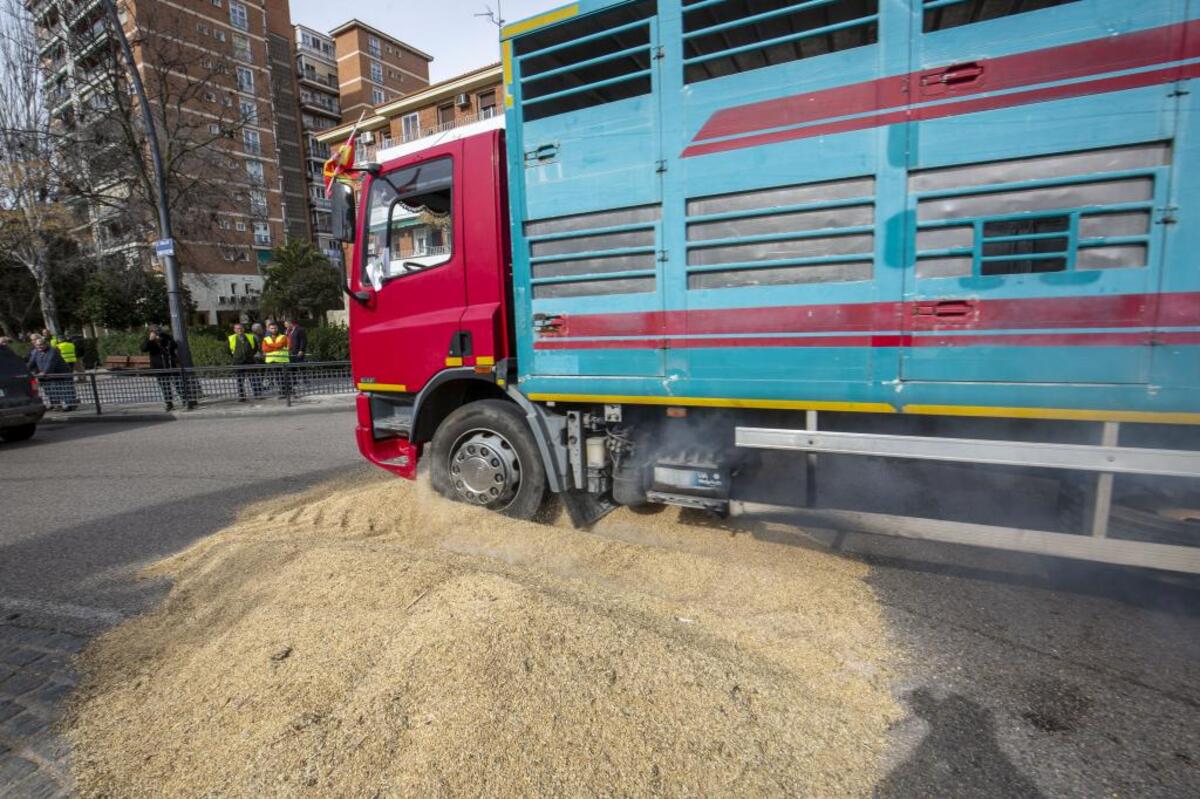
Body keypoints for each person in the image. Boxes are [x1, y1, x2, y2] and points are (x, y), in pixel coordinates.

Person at [141, 324, 196, 411]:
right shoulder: (149, 340)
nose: (156, 332)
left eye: (157, 330)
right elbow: (143, 349)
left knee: (179, 384)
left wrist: (164, 340)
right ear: (150, 332)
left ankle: (185, 401)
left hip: (170, 365)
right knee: (165, 386)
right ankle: (169, 403)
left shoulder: (166, 337)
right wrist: (151, 340)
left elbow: (174, 345)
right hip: (159, 367)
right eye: (154, 331)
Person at [27, 336, 77, 411]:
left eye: (41, 344)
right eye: (37, 345)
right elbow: (31, 363)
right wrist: (25, 371)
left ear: (46, 344)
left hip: (61, 374)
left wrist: (44, 372)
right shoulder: (36, 352)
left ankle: (71, 405)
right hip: (50, 376)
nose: (39, 346)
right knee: (52, 390)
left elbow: (50, 363)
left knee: (66, 389)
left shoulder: (52, 351)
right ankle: (57, 405)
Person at [227, 323, 262, 401]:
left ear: (243, 329)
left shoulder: (250, 337)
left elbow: (255, 348)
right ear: (234, 330)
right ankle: (242, 397)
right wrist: (236, 357)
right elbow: (228, 350)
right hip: (238, 362)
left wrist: (250, 355)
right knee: (240, 380)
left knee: (254, 379)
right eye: (237, 328)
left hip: (250, 361)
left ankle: (257, 395)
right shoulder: (231, 338)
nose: (239, 330)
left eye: (241, 328)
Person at [261, 321, 291, 398]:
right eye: (272, 328)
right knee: (277, 378)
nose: (273, 330)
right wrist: (276, 347)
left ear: (277, 329)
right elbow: (265, 349)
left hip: (282, 360)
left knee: (284, 378)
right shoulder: (266, 338)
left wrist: (270, 346)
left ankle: (286, 392)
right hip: (271, 361)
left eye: (275, 328)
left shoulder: (283, 337)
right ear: (268, 329)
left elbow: (280, 345)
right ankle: (282, 392)